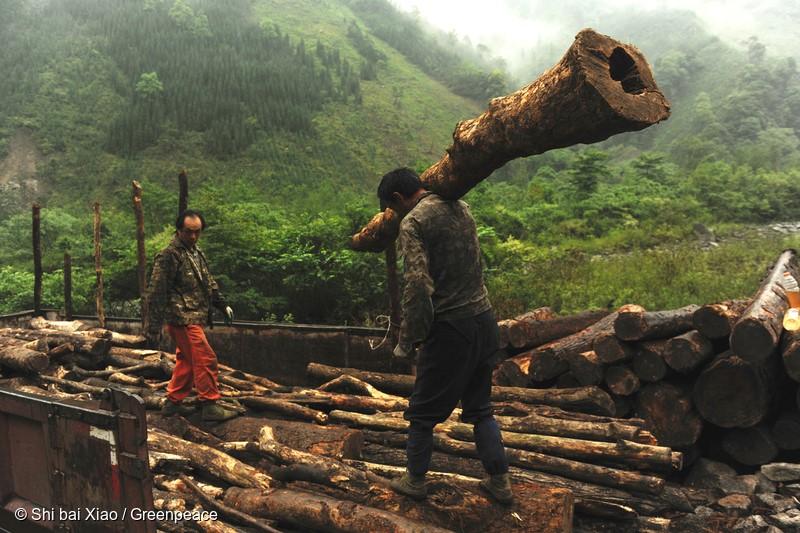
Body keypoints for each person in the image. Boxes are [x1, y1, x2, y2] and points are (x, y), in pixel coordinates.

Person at [378, 168, 513, 504]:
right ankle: (500, 482)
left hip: (453, 328)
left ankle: (414, 481)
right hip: (484, 319)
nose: (394, 215)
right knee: (481, 409)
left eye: (391, 208)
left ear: (397, 198)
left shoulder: (414, 222)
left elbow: (419, 286)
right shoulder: (460, 207)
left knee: (422, 413)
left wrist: (408, 339)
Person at [144, 209, 238, 421]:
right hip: (182, 318)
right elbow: (156, 292)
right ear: (179, 230)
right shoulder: (169, 255)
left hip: (195, 316)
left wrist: (222, 305)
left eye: (197, 232)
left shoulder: (196, 252)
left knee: (187, 360)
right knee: (205, 358)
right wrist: (152, 328)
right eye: (189, 232)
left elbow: (208, 282)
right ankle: (209, 404)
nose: (193, 236)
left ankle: (173, 403)